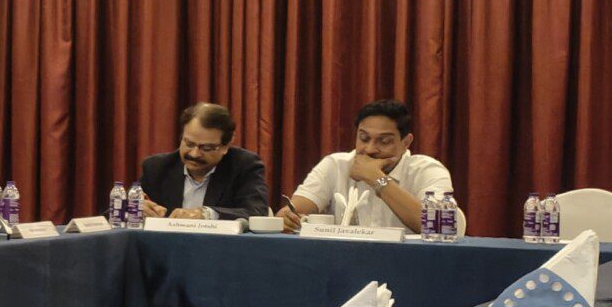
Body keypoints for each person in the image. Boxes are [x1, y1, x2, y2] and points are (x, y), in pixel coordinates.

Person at [280, 98, 462, 235]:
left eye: (384, 141)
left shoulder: (427, 170)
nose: (369, 149)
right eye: (364, 138)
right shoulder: (336, 165)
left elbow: (440, 227)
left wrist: (376, 179)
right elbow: (290, 212)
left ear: (406, 142)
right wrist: (287, 218)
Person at [136, 102, 270, 220]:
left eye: (206, 148)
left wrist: (206, 214)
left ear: (226, 145)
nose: (194, 154)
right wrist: (138, 207)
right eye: (189, 144)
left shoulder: (244, 166)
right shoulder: (156, 167)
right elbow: (136, 202)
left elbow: (257, 212)